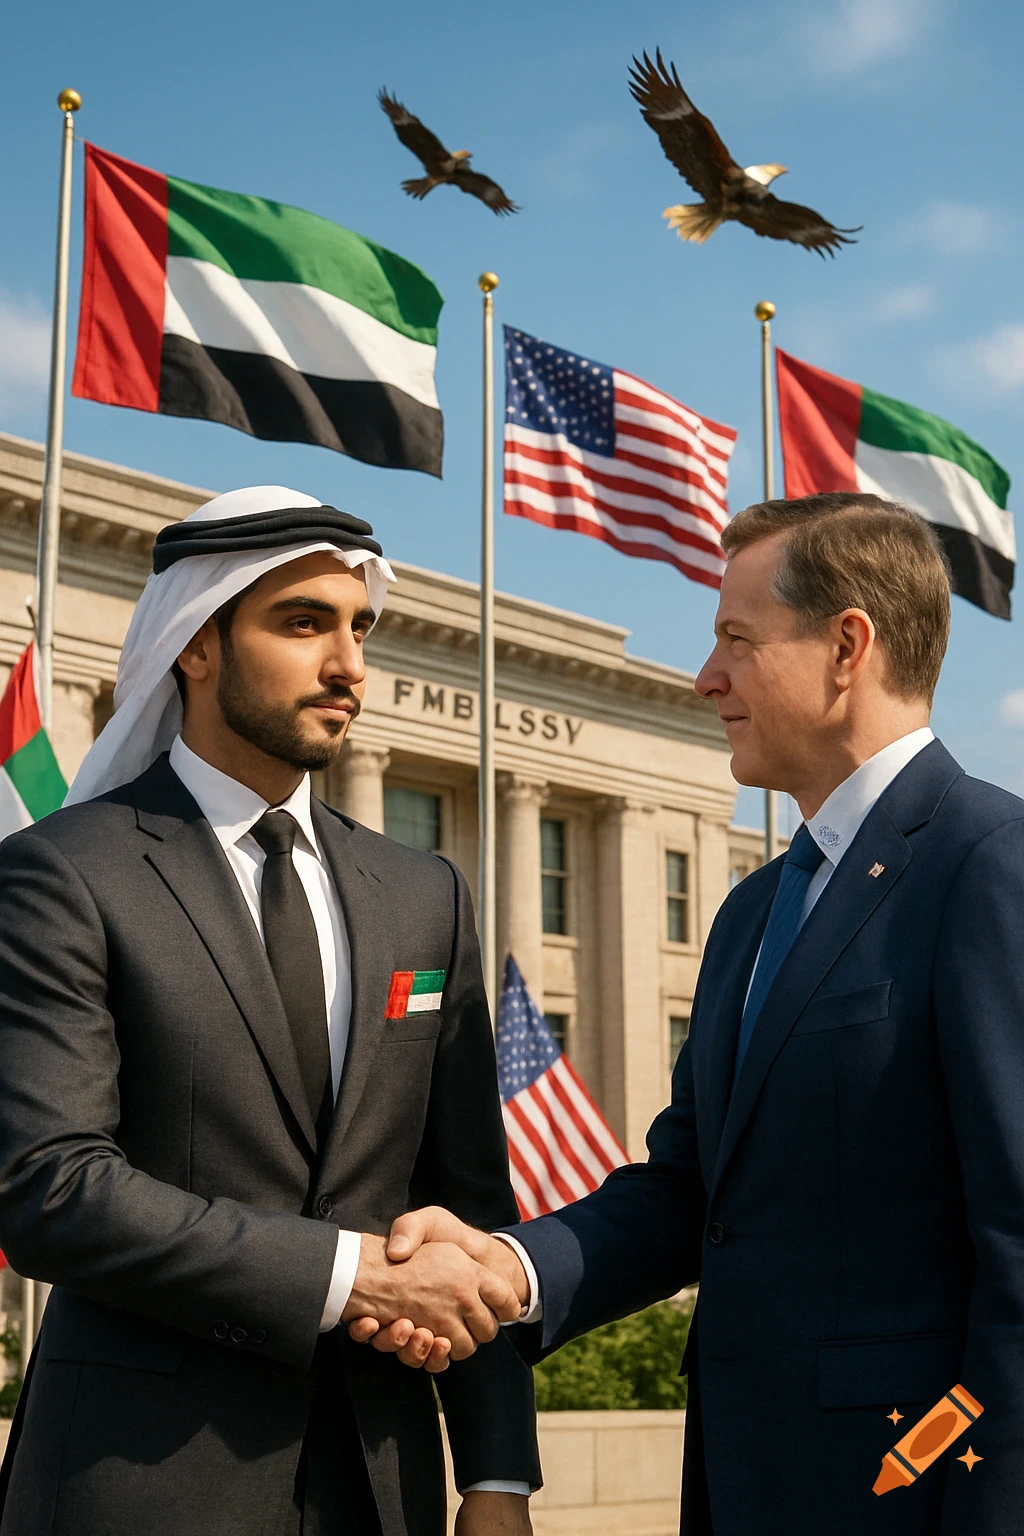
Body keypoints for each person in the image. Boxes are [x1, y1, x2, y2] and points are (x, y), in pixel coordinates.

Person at [354, 493, 1024, 1535]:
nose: (706, 677)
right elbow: (690, 1191)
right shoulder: (754, 911)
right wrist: (508, 1266)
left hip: (910, 1495)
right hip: (739, 1488)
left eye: (736, 641)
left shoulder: (990, 865)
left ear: (848, 647)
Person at [0, 486, 539, 1536]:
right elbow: (49, 1188)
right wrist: (353, 1279)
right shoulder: (63, 875)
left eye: (358, 628)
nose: (349, 666)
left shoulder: (425, 894)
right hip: (136, 1481)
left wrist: (496, 1473)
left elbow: (464, 1192)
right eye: (304, 625)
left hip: (381, 1482)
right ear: (195, 646)